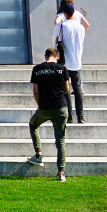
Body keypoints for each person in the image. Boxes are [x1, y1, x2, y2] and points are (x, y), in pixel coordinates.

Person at [26, 48, 69, 182]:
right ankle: (61, 173)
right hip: (60, 108)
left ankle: (38, 155)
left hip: (44, 108)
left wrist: (39, 105)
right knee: (60, 141)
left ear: (45, 56)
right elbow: (67, 89)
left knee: (33, 124)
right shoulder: (62, 69)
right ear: (57, 57)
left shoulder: (37, 69)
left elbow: (35, 91)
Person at [52, 0, 90, 124]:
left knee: (66, 88)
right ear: (74, 12)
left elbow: (54, 41)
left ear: (64, 13)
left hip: (64, 62)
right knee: (77, 89)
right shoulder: (80, 27)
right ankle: (81, 116)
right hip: (77, 61)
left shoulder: (62, 25)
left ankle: (70, 116)